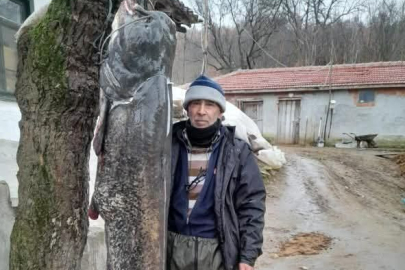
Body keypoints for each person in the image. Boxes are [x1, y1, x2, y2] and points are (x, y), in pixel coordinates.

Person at [168, 75, 266, 270]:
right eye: (196, 103)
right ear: (187, 108)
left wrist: (247, 255)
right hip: (170, 250)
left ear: (220, 111)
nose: (202, 111)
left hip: (217, 253)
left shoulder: (237, 152)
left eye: (210, 105)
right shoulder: (167, 146)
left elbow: (251, 204)